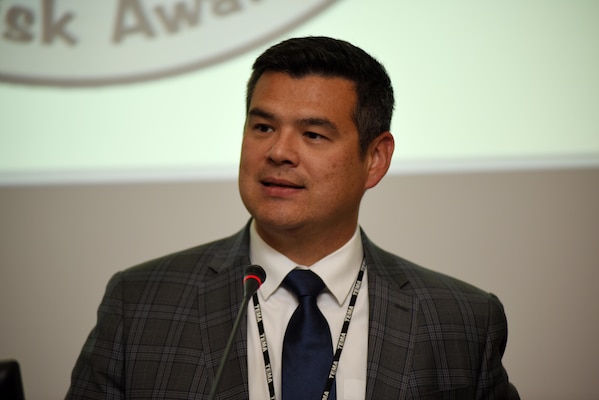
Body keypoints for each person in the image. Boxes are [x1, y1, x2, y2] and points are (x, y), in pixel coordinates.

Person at [66, 36, 519, 399]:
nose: (278, 152)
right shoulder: (139, 303)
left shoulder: (461, 319)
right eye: (262, 127)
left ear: (376, 159)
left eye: (313, 134)